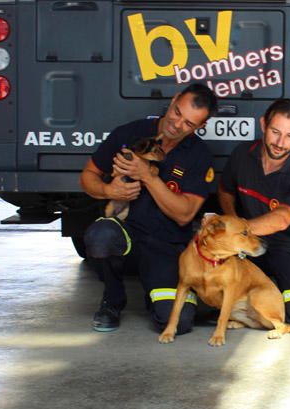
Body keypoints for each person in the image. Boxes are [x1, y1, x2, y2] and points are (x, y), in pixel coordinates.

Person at [80, 83, 218, 333]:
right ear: (174, 99)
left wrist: (147, 176)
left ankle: (155, 296)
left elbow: (185, 215)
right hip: (127, 236)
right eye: (177, 112)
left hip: (166, 246)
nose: (176, 124)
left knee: (179, 322)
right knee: (101, 236)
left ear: (200, 127)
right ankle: (112, 299)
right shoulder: (129, 134)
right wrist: (109, 191)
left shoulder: (199, 155)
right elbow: (88, 176)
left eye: (188, 123)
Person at [217, 98, 290, 325]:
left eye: (289, 136)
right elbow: (225, 189)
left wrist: (238, 230)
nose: (280, 142)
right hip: (248, 247)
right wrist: (232, 219)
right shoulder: (242, 154)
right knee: (207, 301)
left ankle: (273, 289)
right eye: (275, 132)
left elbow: (282, 218)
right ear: (263, 125)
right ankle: (262, 290)